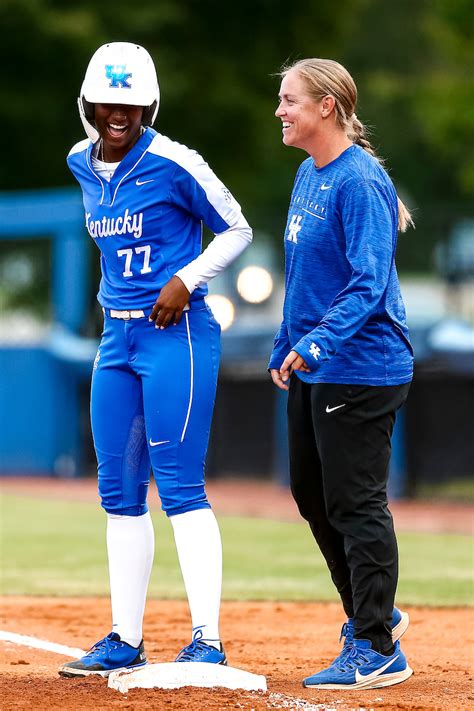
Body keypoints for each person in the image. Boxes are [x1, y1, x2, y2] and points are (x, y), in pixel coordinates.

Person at [59, 42, 252, 677]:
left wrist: (187, 278)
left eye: (134, 103)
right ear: (88, 103)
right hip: (115, 338)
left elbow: (237, 228)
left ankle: (208, 639)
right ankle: (125, 635)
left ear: (151, 103)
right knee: (117, 490)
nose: (121, 113)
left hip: (178, 332)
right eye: (110, 102)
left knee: (179, 485)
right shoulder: (80, 163)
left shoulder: (175, 161)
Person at [268, 58, 414, 690]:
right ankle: (369, 613)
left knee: (356, 503)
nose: (280, 110)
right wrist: (285, 342)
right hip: (317, 362)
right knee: (311, 494)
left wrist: (319, 342)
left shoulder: (359, 180)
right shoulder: (309, 173)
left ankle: (377, 645)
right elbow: (302, 274)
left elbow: (369, 282)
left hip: (363, 366)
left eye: (290, 100)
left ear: (326, 106)